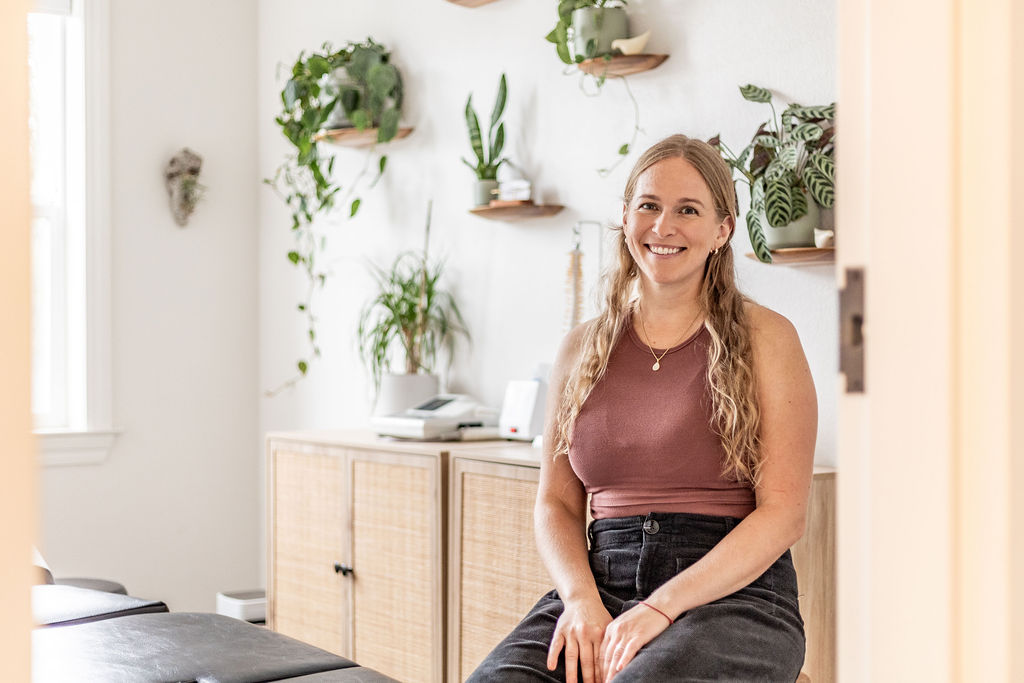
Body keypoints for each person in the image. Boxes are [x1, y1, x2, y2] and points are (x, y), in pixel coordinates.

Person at [467, 134, 817, 682]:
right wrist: (580, 599)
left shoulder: (768, 337)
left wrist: (661, 606)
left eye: (688, 210)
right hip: (602, 584)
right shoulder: (581, 348)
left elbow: (784, 513)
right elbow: (556, 503)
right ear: (626, 218)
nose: (663, 226)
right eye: (649, 205)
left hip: (734, 596)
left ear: (722, 230)